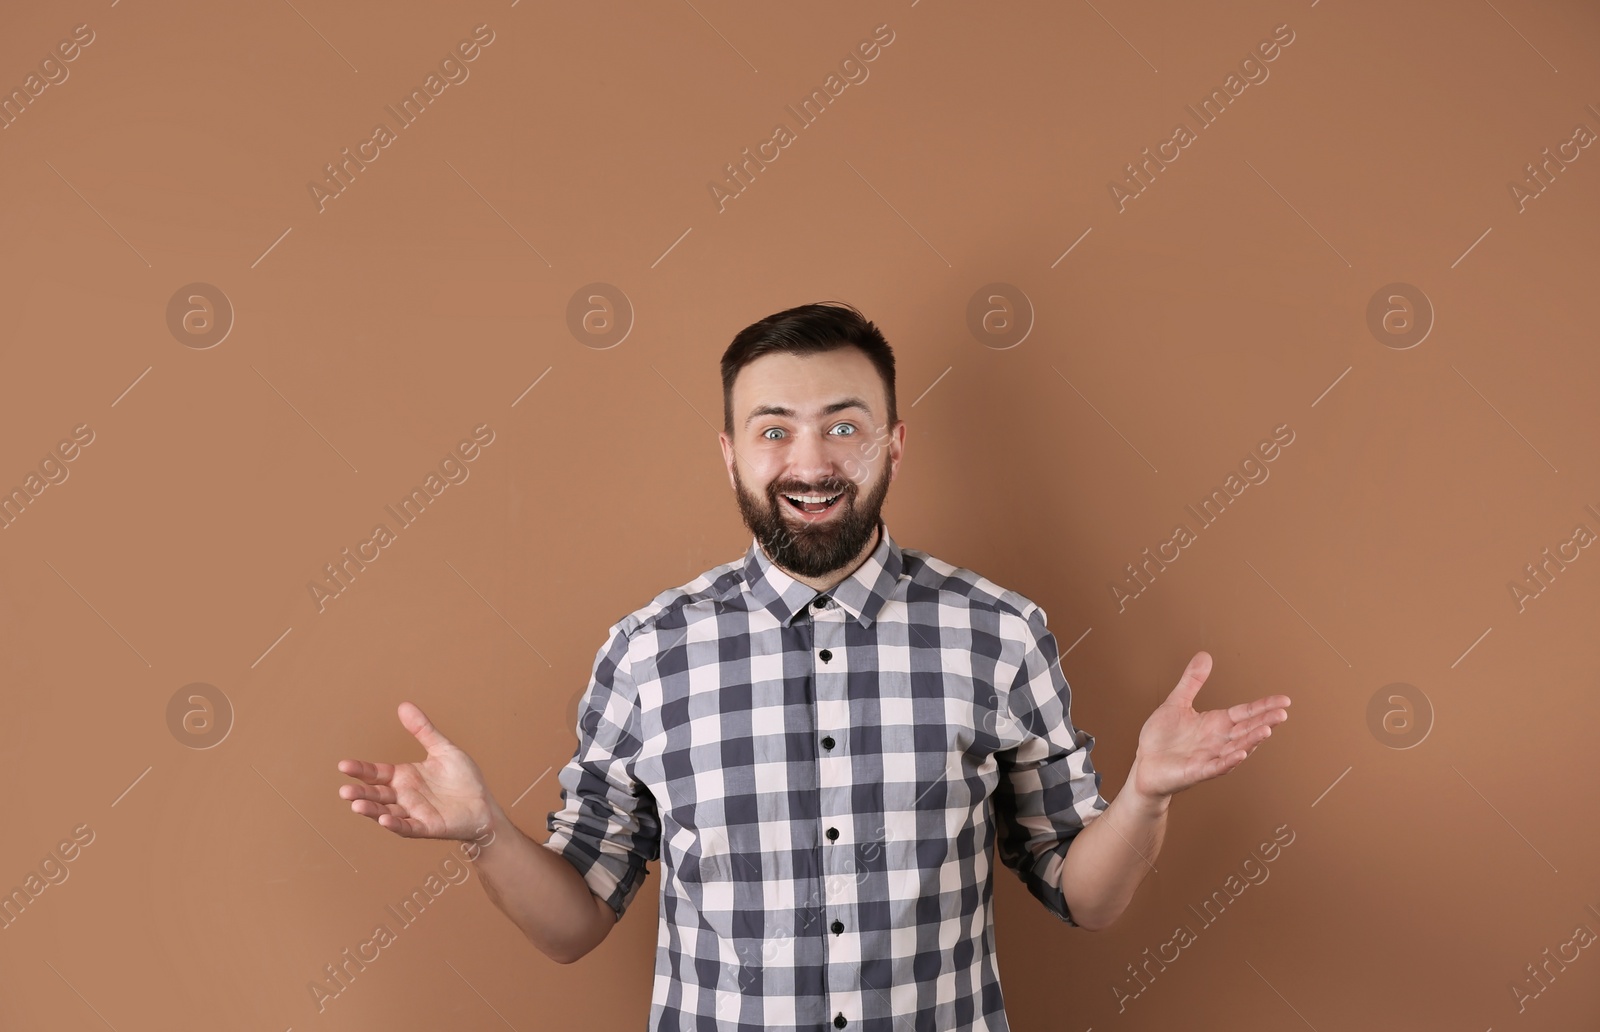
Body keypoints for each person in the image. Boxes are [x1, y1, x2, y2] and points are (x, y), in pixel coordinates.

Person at [337, 301, 1291, 1031]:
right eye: (773, 428)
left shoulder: (1000, 632)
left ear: (893, 443)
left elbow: (1084, 897)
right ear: (730, 454)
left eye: (844, 424)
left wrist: (1148, 795)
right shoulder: (648, 652)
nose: (810, 459)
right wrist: (483, 835)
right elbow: (574, 923)